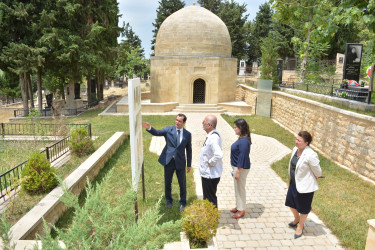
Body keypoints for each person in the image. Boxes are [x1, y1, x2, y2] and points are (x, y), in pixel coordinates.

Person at [142, 114, 192, 212]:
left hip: (180, 162)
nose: (177, 122)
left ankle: (182, 202)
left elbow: (189, 150)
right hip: (168, 161)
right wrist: (149, 128)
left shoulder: (187, 134)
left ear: (184, 123)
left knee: (182, 183)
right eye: (176, 120)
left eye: (179, 121)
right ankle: (169, 201)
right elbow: (157, 132)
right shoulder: (169, 130)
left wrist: (189, 164)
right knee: (167, 182)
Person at [285, 131, 322, 239]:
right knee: (291, 204)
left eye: (299, 141)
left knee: (303, 208)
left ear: (306, 143)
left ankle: (300, 226)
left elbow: (318, 172)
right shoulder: (295, 149)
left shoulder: (311, 155)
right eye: (296, 139)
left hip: (306, 186)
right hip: (294, 183)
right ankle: (296, 219)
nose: (296, 142)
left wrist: (316, 175)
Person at [199, 115, 223, 208]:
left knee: (210, 199)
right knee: (208, 198)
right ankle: (210, 218)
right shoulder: (212, 135)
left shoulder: (213, 138)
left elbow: (219, 154)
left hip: (210, 175)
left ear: (209, 125)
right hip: (209, 174)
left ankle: (212, 220)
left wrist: (211, 162)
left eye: (204, 122)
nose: (202, 123)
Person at [230, 118, 251, 219]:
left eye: (235, 127)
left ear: (241, 128)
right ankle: (239, 206)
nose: (234, 129)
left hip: (240, 169)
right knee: (237, 189)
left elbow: (243, 156)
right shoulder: (242, 138)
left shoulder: (244, 141)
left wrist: (238, 171)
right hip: (237, 168)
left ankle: (241, 210)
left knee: (240, 189)